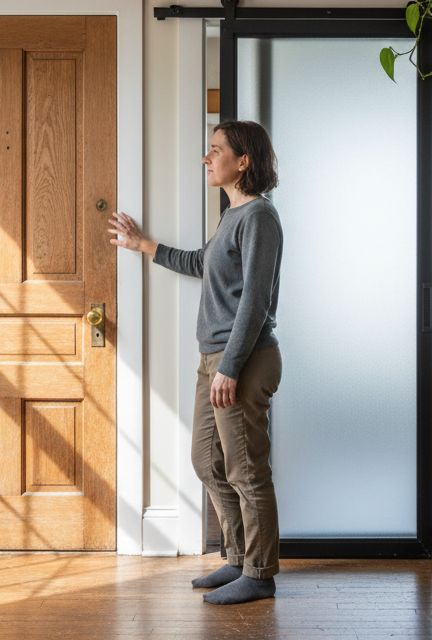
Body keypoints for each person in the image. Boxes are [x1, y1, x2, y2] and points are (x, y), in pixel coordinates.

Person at [108, 120, 284, 605]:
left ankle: (260, 573)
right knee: (207, 461)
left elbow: (255, 300)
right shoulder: (231, 218)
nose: (206, 159)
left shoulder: (259, 219)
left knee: (247, 469)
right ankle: (237, 558)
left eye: (215, 151)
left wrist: (228, 366)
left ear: (242, 161)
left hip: (243, 361)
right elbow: (200, 263)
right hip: (216, 360)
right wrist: (142, 244)